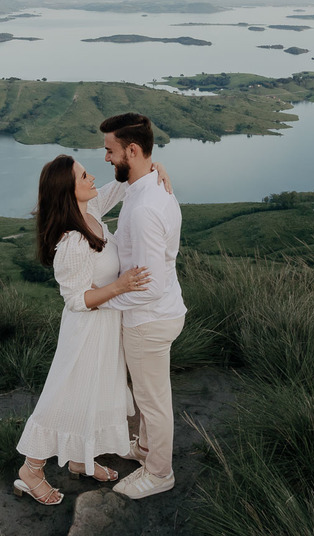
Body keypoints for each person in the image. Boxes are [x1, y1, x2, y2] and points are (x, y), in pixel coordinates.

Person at [13, 154, 172, 505]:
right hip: (85, 332)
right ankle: (31, 470)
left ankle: (81, 459)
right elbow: (75, 299)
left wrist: (148, 168)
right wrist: (121, 286)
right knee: (66, 395)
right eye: (84, 175)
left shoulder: (90, 210)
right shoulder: (72, 240)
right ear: (70, 191)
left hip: (105, 328)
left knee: (98, 393)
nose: (92, 177)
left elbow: (117, 187)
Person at [97, 112, 187, 500]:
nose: (106, 158)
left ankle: (160, 473)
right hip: (155, 315)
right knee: (150, 395)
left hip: (148, 319)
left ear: (131, 150)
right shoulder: (143, 186)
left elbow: (151, 286)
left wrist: (104, 301)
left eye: (110, 151)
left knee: (154, 400)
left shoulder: (146, 206)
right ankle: (146, 450)